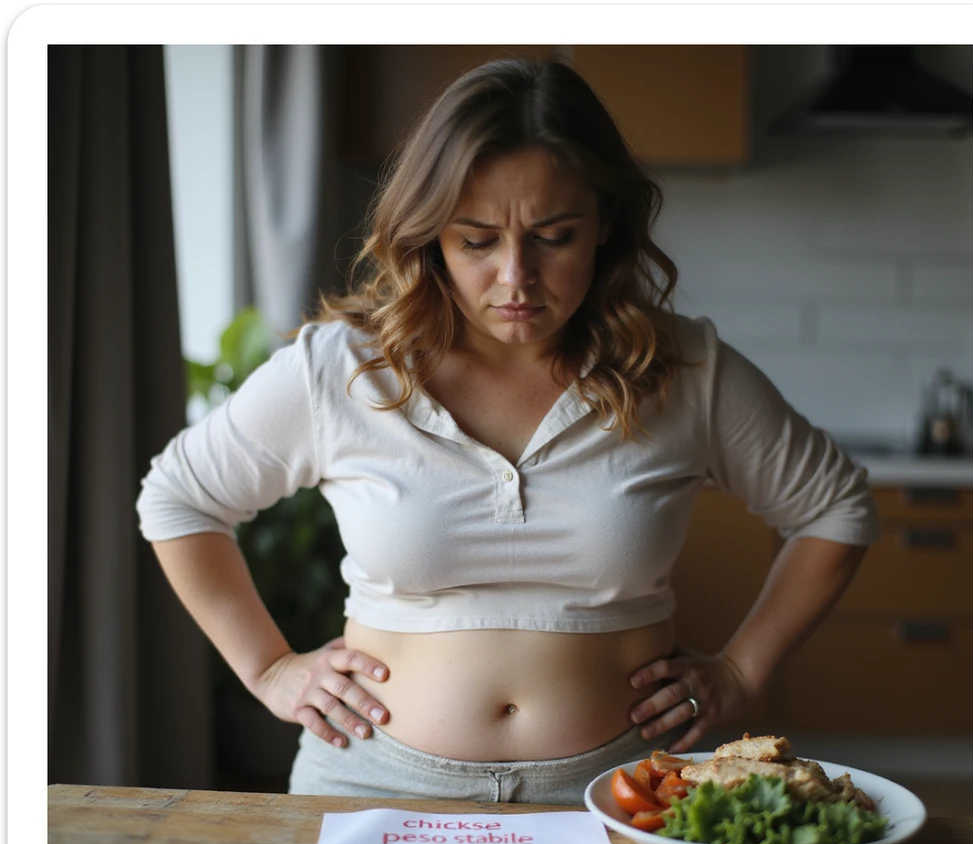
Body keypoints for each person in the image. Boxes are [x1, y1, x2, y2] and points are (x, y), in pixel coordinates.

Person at [137, 57, 878, 804]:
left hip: (625, 791)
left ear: (605, 225)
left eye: (554, 237)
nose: (516, 278)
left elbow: (835, 506)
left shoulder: (684, 370)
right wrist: (269, 669)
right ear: (430, 236)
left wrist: (742, 670)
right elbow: (178, 499)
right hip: (369, 780)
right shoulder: (342, 370)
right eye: (477, 240)